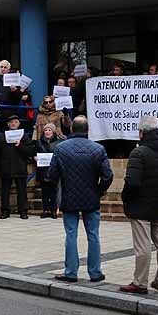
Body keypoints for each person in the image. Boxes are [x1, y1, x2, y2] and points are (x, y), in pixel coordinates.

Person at [47, 116, 113, 283]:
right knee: (93, 235)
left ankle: (71, 272)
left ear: (72, 129)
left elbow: (51, 175)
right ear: (87, 130)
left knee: (71, 234)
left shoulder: (61, 148)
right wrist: (99, 190)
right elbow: (108, 175)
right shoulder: (98, 149)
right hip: (91, 197)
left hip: (69, 196)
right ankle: (95, 272)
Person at [119, 115, 158, 294]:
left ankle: (140, 282)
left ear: (142, 133)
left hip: (140, 205)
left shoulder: (139, 152)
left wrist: (126, 198)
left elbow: (132, 182)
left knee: (142, 246)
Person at [0, 114, 34, 219]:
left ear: (19, 124)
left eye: (15, 122)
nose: (13, 124)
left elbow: (30, 151)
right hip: (6, 167)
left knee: (22, 191)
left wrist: (20, 145)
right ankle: (5, 211)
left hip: (20, 167)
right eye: (11, 122)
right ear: (8, 124)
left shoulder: (24, 136)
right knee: (5, 191)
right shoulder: (2, 136)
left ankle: (23, 211)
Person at [35, 123, 61, 218]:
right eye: (46, 130)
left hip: (54, 171)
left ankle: (53, 210)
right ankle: (45, 210)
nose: (47, 132)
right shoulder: (39, 142)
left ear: (53, 132)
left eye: (49, 130)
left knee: (53, 191)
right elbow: (34, 153)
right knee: (44, 192)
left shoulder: (58, 143)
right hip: (43, 170)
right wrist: (35, 157)